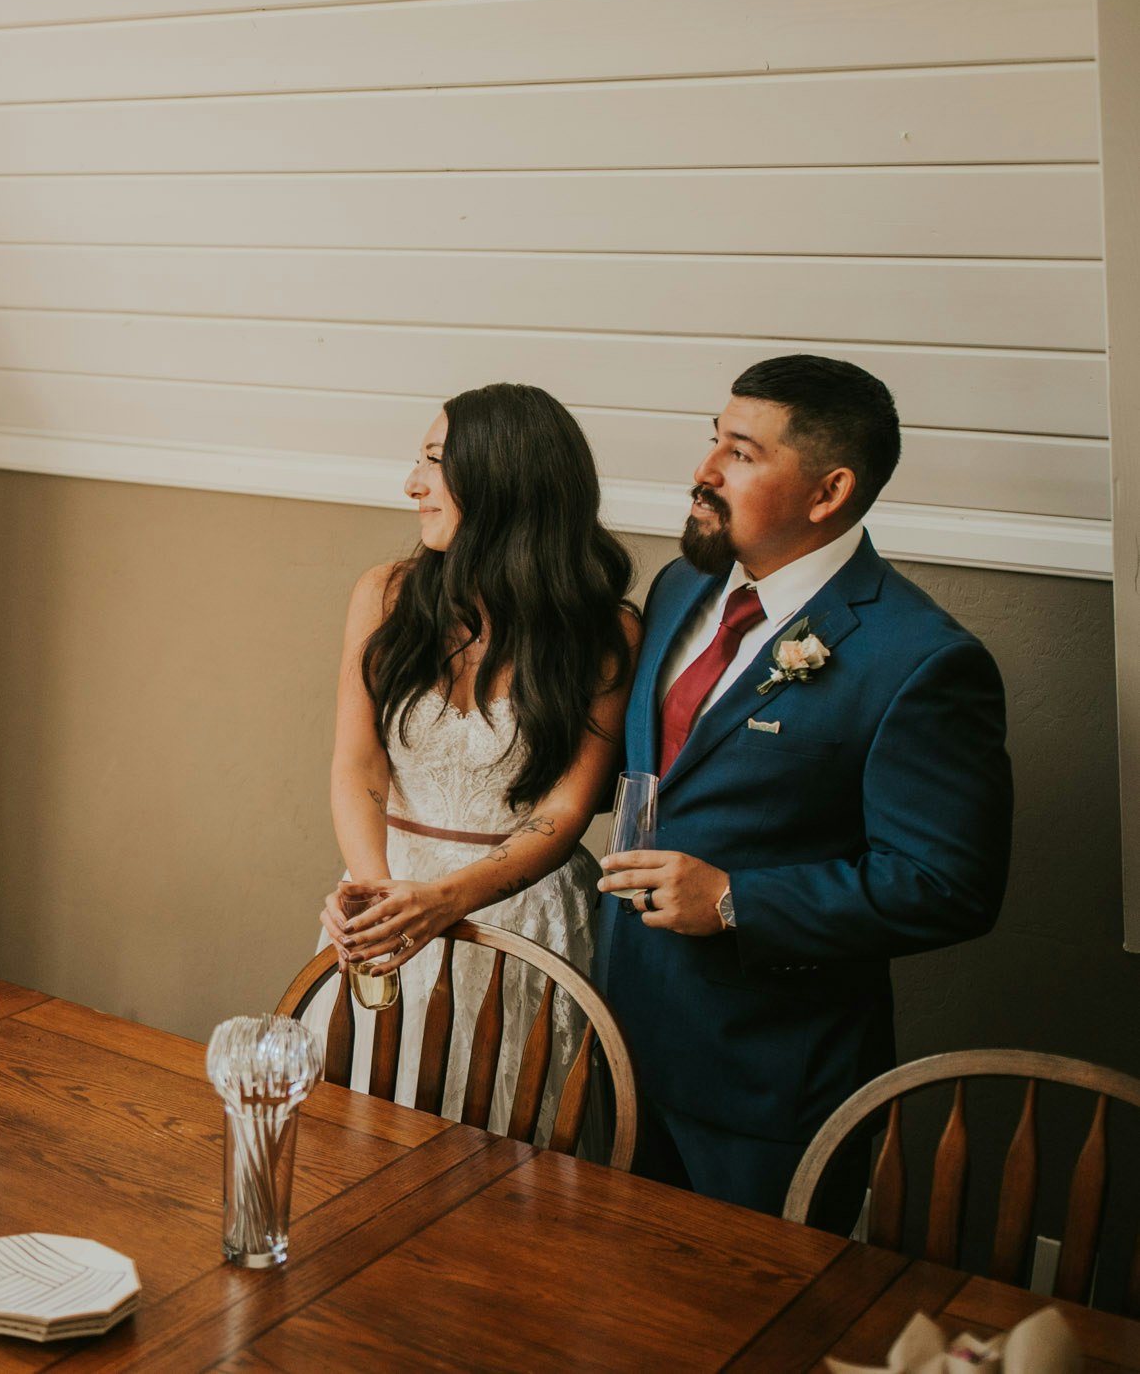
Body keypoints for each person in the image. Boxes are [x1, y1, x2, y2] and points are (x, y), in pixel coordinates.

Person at [594, 354, 1011, 1220]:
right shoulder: (681, 589)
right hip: (623, 1045)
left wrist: (737, 899)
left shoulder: (922, 661)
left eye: (741, 454)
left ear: (828, 493)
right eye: (713, 441)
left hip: (770, 1082)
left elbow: (948, 886)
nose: (703, 474)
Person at [317, 384, 639, 1130]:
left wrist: (450, 899)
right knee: (364, 1127)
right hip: (386, 892)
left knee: (504, 1148)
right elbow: (357, 765)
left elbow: (565, 809)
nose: (412, 484)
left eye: (434, 462)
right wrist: (376, 898)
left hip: (519, 917)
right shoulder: (385, 595)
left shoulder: (604, 632)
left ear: (503, 480)